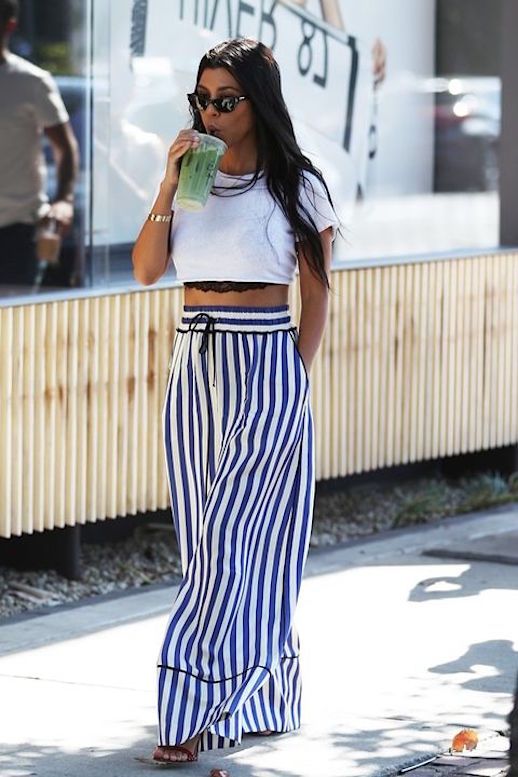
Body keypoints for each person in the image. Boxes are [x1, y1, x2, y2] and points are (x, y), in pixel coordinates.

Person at [132, 37, 339, 765]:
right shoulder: (191, 177)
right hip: (195, 362)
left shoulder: (298, 185)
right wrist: (164, 185)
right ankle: (260, 692)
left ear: (258, 103)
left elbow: (317, 294)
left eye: (226, 101)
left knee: (234, 540)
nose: (212, 113)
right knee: (209, 544)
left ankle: (187, 705)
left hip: (267, 359)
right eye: (203, 100)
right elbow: (147, 270)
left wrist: (294, 379)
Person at [0, 0, 79, 287]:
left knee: (14, 328)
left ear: (8, 25)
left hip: (17, 232)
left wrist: (64, 200)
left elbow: (65, 146)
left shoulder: (32, 82)